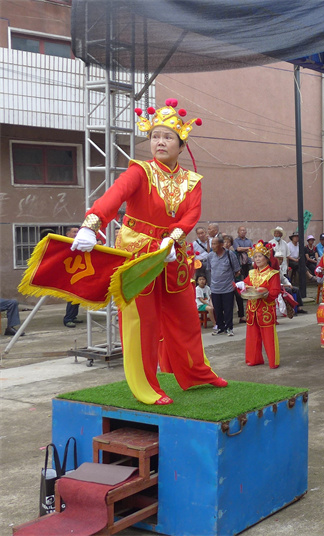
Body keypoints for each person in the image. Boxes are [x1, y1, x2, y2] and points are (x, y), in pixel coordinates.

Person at [69, 98, 226, 405]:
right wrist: (92, 223)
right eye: (155, 136)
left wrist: (173, 238)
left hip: (172, 254)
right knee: (143, 322)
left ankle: (197, 373)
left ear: (181, 145)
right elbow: (114, 196)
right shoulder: (139, 171)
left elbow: (191, 215)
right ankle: (146, 386)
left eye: (167, 137)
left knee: (186, 318)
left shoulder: (191, 181)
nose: (160, 142)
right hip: (138, 253)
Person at [235, 241, 282, 368]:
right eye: (255, 257)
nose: (257, 259)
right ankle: (254, 359)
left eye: (260, 256)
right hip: (252, 308)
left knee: (269, 336)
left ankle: (273, 361)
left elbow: (275, 291)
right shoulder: (252, 273)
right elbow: (245, 285)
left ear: (267, 258)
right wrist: (242, 286)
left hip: (265, 308)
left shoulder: (273, 273)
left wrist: (263, 292)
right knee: (252, 336)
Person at [208, 235, 240, 336]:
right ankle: (220, 327)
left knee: (228, 309)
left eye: (215, 244)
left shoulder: (230, 255)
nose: (213, 246)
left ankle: (229, 328)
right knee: (217, 309)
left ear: (221, 244)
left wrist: (229, 280)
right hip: (215, 288)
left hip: (228, 288)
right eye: (212, 244)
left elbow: (237, 271)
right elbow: (210, 270)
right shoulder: (210, 256)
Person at [223, 234, 246, 324]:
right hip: (224, 280)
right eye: (225, 242)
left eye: (228, 242)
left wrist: (236, 275)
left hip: (234, 278)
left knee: (239, 296)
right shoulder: (219, 254)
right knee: (227, 300)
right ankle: (226, 318)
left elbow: (237, 267)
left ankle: (241, 315)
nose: (226, 244)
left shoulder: (233, 254)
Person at [63, 226, 83, 328]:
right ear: (68, 234)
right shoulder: (64, 244)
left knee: (77, 296)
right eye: (74, 232)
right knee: (72, 297)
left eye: (77, 232)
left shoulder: (79, 243)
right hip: (68, 274)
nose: (76, 234)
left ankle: (73, 316)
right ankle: (68, 319)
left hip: (77, 273)